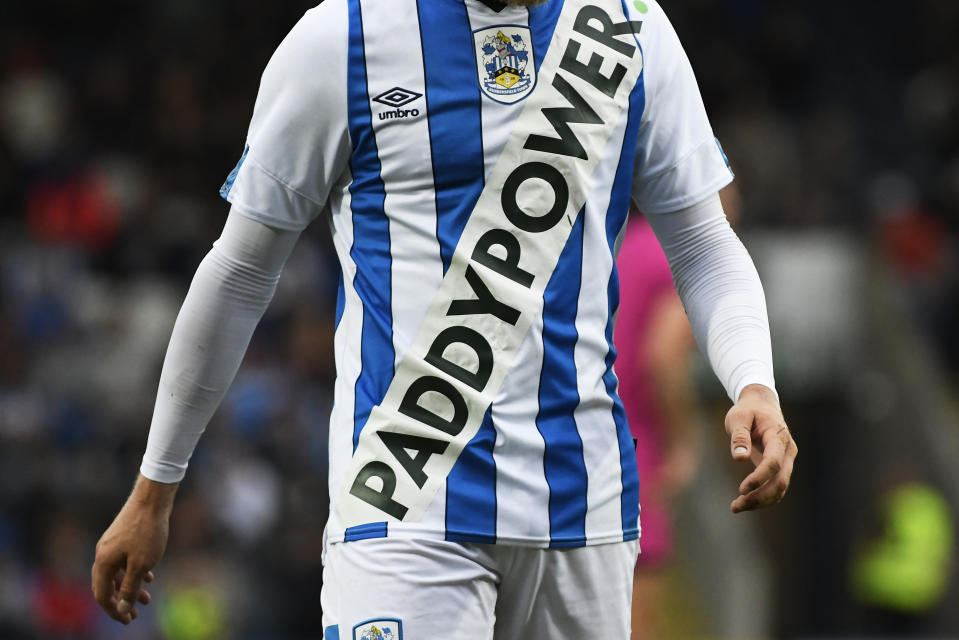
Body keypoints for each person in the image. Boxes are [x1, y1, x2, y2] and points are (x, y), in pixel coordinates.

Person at [91, 0, 798, 638]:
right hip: (403, 495)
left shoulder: (626, 30)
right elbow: (241, 270)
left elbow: (704, 245)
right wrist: (156, 486)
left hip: (582, 511)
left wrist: (752, 383)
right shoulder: (342, 38)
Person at [613, 210, 700, 639]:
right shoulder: (676, 254)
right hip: (636, 458)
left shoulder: (615, 244)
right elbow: (663, 357)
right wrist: (685, 442)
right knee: (637, 623)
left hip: (579, 449)